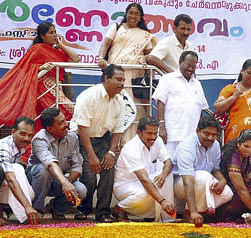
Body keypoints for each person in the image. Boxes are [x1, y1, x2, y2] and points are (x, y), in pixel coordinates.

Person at [0, 22, 79, 125]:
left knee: (58, 117)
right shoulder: (37, 49)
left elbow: (76, 59)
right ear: (43, 36)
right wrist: (42, 67)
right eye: (51, 33)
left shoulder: (57, 51)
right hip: (45, 88)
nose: (55, 35)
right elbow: (26, 67)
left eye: (55, 32)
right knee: (69, 111)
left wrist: (61, 45)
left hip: (57, 88)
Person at [70, 64, 126, 223]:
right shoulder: (89, 96)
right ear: (106, 78)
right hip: (82, 139)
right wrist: (92, 156)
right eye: (119, 79)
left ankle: (103, 212)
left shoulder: (120, 102)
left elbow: (118, 131)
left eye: (124, 80)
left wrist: (111, 152)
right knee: (89, 176)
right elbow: (82, 129)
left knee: (109, 170)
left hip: (103, 140)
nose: (122, 84)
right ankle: (83, 209)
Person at [97, 3, 157, 143]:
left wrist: (143, 60)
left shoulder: (145, 35)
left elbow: (149, 55)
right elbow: (105, 44)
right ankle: (112, 142)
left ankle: (129, 142)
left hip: (134, 75)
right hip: (115, 73)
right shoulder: (117, 28)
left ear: (141, 17)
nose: (133, 16)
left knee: (131, 107)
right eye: (130, 13)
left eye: (136, 14)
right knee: (113, 104)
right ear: (126, 14)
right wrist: (101, 58)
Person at [26, 108, 86, 219]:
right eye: (61, 123)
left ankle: (56, 208)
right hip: (35, 180)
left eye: (65, 120)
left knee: (81, 190)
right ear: (50, 129)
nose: (66, 125)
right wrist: (65, 183)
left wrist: (67, 183)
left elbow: (77, 166)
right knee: (43, 170)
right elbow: (50, 163)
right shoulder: (39, 139)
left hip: (59, 180)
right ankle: (36, 212)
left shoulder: (72, 138)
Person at [173, 115, 233, 226]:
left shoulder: (215, 145)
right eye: (206, 133)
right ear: (197, 131)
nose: (210, 138)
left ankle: (199, 213)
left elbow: (215, 169)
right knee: (203, 177)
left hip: (202, 183)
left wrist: (223, 181)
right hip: (179, 185)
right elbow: (187, 181)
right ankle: (190, 213)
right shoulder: (187, 147)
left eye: (214, 135)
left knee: (227, 193)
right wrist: (193, 211)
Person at [113, 116, 175, 222]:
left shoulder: (157, 140)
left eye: (155, 133)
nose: (153, 137)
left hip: (146, 180)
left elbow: (168, 162)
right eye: (149, 133)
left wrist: (163, 176)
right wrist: (163, 201)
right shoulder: (131, 148)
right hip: (125, 185)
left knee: (167, 176)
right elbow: (143, 179)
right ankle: (119, 208)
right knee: (146, 193)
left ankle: (162, 217)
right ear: (139, 132)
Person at [214, 59, 251, 166]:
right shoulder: (230, 89)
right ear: (242, 71)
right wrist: (235, 96)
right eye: (249, 73)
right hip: (235, 136)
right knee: (233, 165)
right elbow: (217, 108)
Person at [152, 50, 208, 157]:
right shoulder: (167, 79)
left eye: (194, 66)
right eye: (188, 65)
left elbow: (200, 109)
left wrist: (201, 131)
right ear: (180, 62)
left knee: (187, 166)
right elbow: (160, 102)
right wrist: (162, 125)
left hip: (192, 135)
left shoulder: (197, 84)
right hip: (172, 133)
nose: (191, 69)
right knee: (167, 166)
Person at [0, 117, 39, 225]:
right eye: (22, 134)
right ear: (13, 132)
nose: (26, 138)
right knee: (17, 169)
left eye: (30, 135)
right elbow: (10, 178)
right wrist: (27, 206)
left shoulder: (18, 146)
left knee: (31, 193)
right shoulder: (3, 147)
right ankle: (25, 216)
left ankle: (1, 213)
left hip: (1, 185)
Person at [219, 129, 251, 221]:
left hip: (245, 184)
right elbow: (240, 189)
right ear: (238, 143)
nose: (248, 150)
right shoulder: (233, 157)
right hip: (230, 190)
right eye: (245, 146)